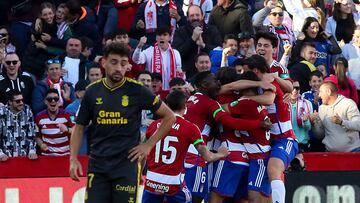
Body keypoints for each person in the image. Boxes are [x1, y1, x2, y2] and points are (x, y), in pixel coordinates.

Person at [69, 42, 176, 203]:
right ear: (104, 62)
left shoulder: (137, 90)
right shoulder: (92, 91)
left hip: (127, 166)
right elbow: (79, 128)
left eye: (123, 63)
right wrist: (73, 159)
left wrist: (148, 145)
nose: (119, 67)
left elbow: (170, 117)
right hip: (99, 166)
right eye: (114, 62)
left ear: (128, 66)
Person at [184, 71, 272, 203]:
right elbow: (231, 121)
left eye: (218, 81)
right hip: (244, 157)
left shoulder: (193, 99)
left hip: (224, 155)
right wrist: (259, 124)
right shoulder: (214, 101)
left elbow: (229, 121)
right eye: (215, 81)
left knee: (208, 197)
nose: (218, 85)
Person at [142, 90, 229, 203]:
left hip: (151, 183)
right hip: (173, 185)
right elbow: (208, 157)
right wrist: (221, 154)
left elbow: (143, 153)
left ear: (166, 105)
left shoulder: (153, 125)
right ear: (185, 106)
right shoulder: (191, 128)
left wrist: (139, 174)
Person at [242, 55, 298, 203]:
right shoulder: (255, 86)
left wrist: (243, 100)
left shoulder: (269, 82)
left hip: (285, 138)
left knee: (273, 169)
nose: (244, 76)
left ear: (255, 70)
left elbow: (269, 99)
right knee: (262, 192)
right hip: (267, 144)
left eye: (246, 72)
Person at [224, 71, 272, 203]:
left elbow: (221, 108)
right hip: (258, 155)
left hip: (259, 157)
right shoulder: (257, 101)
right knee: (256, 196)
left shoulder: (245, 103)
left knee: (254, 196)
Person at [172, 5, 222, 78]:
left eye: (197, 15)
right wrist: (192, 39)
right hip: (188, 74)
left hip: (210, 73)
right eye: (192, 15)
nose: (195, 18)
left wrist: (203, 45)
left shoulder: (212, 30)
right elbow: (177, 54)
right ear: (187, 18)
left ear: (202, 16)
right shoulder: (180, 31)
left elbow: (219, 50)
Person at [311, 81, 360, 152]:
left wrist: (342, 122)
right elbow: (320, 135)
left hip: (352, 152)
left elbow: (358, 125)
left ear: (328, 92)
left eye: (321, 92)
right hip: (330, 153)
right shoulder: (321, 108)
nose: (319, 95)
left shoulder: (348, 104)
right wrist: (314, 123)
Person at [0, 90, 37, 162]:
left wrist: (32, 150)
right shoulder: (1, 113)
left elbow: (31, 133)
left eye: (22, 100)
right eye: (18, 101)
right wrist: (0, 153)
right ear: (10, 102)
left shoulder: (27, 110)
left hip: (25, 158)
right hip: (6, 159)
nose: (21, 103)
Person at [35, 88, 74, 156]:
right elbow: (37, 136)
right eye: (50, 99)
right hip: (46, 157)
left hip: (65, 156)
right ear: (45, 101)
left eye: (56, 99)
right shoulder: (38, 117)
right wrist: (41, 144)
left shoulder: (68, 115)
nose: (53, 101)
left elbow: (77, 131)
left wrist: (67, 129)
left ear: (59, 101)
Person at [289, 81, 313, 152]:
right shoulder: (282, 104)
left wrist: (305, 121)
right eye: (292, 88)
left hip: (302, 143)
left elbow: (308, 128)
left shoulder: (307, 104)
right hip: (288, 143)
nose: (294, 91)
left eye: (297, 88)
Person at [341, 25, 360, 103]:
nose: (357, 39)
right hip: (351, 88)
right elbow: (341, 67)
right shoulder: (347, 48)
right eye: (356, 36)